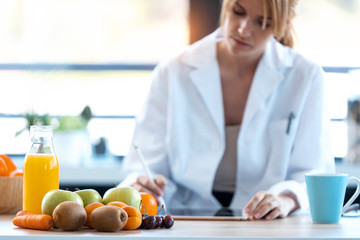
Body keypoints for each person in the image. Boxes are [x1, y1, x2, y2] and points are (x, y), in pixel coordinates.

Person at [120, 0, 335, 220]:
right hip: (182, 221)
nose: (243, 29)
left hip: (267, 225)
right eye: (238, 12)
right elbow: (144, 166)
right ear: (226, 5)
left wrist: (286, 199)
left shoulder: (306, 77)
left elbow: (315, 173)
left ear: (284, 24)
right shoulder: (172, 72)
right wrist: (143, 184)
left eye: (262, 22)